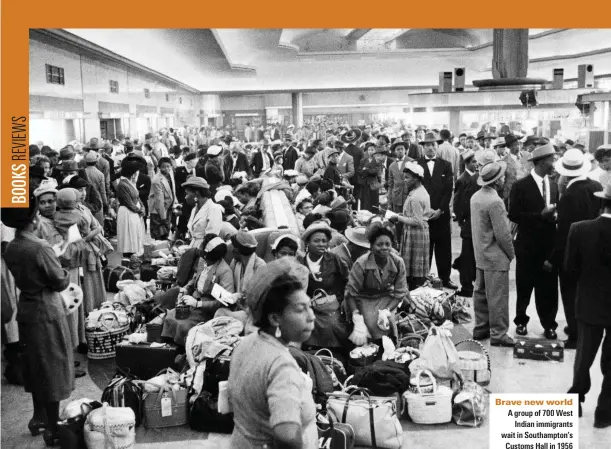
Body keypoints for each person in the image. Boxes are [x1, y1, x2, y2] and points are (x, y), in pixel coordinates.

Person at [2, 193, 74, 446]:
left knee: (35, 366)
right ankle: (53, 427)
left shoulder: (12, 246)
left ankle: (37, 416)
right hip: (46, 309)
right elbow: (59, 281)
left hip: (26, 308)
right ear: (33, 217)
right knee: (52, 366)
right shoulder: (39, 247)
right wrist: (63, 266)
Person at [228, 259, 317, 449]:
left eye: (309, 306)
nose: (312, 316)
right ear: (275, 318)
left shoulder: (247, 344)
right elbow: (287, 435)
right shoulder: (282, 367)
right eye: (301, 309)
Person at [565, 180, 611, 429]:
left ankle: (575, 399)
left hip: (588, 303)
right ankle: (604, 413)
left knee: (583, 356)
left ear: (601, 202)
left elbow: (570, 270)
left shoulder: (579, 229)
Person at [548, 149, 602, 349]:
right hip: (596, 251)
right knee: (589, 293)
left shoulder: (568, 195)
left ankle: (574, 335)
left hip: (574, 253)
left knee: (570, 294)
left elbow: (564, 232)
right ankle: (586, 330)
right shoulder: (596, 186)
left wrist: (554, 258)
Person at [509, 143, 560, 339]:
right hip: (527, 245)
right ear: (541, 162)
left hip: (548, 246)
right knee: (524, 286)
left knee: (548, 288)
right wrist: (540, 215)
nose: (554, 164)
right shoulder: (520, 186)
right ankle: (521, 321)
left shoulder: (553, 185)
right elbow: (514, 215)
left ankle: (549, 324)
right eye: (551, 160)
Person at [470, 161, 515, 346]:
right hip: (496, 256)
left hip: (480, 253)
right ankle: (498, 334)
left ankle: (481, 328)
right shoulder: (495, 201)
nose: (504, 178)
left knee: (480, 293)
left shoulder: (476, 197)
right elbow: (503, 234)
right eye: (502, 176)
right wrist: (511, 254)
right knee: (498, 298)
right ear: (497, 181)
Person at [160, 235, 235, 346]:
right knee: (169, 316)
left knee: (183, 326)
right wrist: (185, 290)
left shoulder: (224, 272)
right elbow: (195, 279)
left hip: (206, 311)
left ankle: (183, 350)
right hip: (192, 304)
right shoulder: (203, 262)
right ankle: (169, 348)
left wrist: (198, 304)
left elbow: (224, 302)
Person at [344, 222, 409, 344]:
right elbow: (350, 293)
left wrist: (387, 311)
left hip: (385, 297)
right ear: (371, 247)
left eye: (387, 244)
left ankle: (390, 347)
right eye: (379, 244)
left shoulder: (398, 262)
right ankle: (371, 350)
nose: (384, 248)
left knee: (388, 321)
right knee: (370, 321)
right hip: (363, 298)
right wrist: (356, 317)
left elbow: (400, 292)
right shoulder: (361, 263)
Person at [298, 223, 350, 354]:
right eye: (316, 241)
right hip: (309, 306)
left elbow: (348, 281)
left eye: (324, 241)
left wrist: (344, 299)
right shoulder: (300, 263)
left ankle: (337, 353)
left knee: (334, 324)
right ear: (307, 243)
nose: (321, 244)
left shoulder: (334, 260)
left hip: (331, 305)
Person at [418, 132, 457, 289]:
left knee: (444, 249)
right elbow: (413, 188)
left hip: (441, 214)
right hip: (423, 214)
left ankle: (445, 278)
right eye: (427, 145)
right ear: (423, 147)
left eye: (433, 145)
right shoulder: (416, 164)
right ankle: (423, 279)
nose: (430, 148)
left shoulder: (446, 165)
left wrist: (440, 210)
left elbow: (448, 190)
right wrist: (426, 210)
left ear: (437, 146)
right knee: (424, 248)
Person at [389, 162, 432, 290]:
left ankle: (414, 290)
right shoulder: (418, 191)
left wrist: (398, 217)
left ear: (417, 178)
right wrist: (402, 215)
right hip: (416, 233)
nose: (405, 180)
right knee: (414, 267)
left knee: (415, 270)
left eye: (407, 177)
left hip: (416, 234)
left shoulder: (416, 197)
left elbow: (417, 221)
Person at [452, 149, 480, 297]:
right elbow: (457, 203)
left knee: (469, 254)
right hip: (468, 222)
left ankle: (467, 278)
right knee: (468, 255)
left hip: (474, 222)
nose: (476, 164)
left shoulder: (477, 178)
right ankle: (466, 286)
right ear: (467, 164)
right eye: (474, 162)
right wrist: (461, 220)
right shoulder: (462, 180)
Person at [116, 159, 146, 257]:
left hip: (134, 212)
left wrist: (142, 207)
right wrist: (139, 210)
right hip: (127, 213)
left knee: (134, 236)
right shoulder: (122, 184)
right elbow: (128, 202)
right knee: (128, 238)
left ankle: (133, 258)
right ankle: (128, 258)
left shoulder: (130, 182)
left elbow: (137, 197)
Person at [183, 177, 223, 249]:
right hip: (193, 248)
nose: (185, 197)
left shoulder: (213, 209)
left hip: (203, 252)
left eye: (187, 193)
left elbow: (211, 239)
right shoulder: (195, 209)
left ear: (196, 193)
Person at [148, 157, 175, 240]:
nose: (166, 168)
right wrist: (163, 217)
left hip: (168, 207)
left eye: (168, 166)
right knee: (159, 235)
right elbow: (159, 200)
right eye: (163, 167)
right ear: (159, 167)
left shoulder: (170, 174)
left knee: (166, 232)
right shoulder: (156, 180)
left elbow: (172, 190)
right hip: (159, 211)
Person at [359, 143, 385, 213]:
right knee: (365, 201)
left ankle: (374, 213)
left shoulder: (378, 161)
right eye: (369, 150)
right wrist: (367, 171)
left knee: (374, 200)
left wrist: (366, 169)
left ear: (375, 151)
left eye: (372, 150)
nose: (370, 151)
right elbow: (360, 171)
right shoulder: (363, 160)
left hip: (373, 184)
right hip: (365, 183)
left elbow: (375, 171)